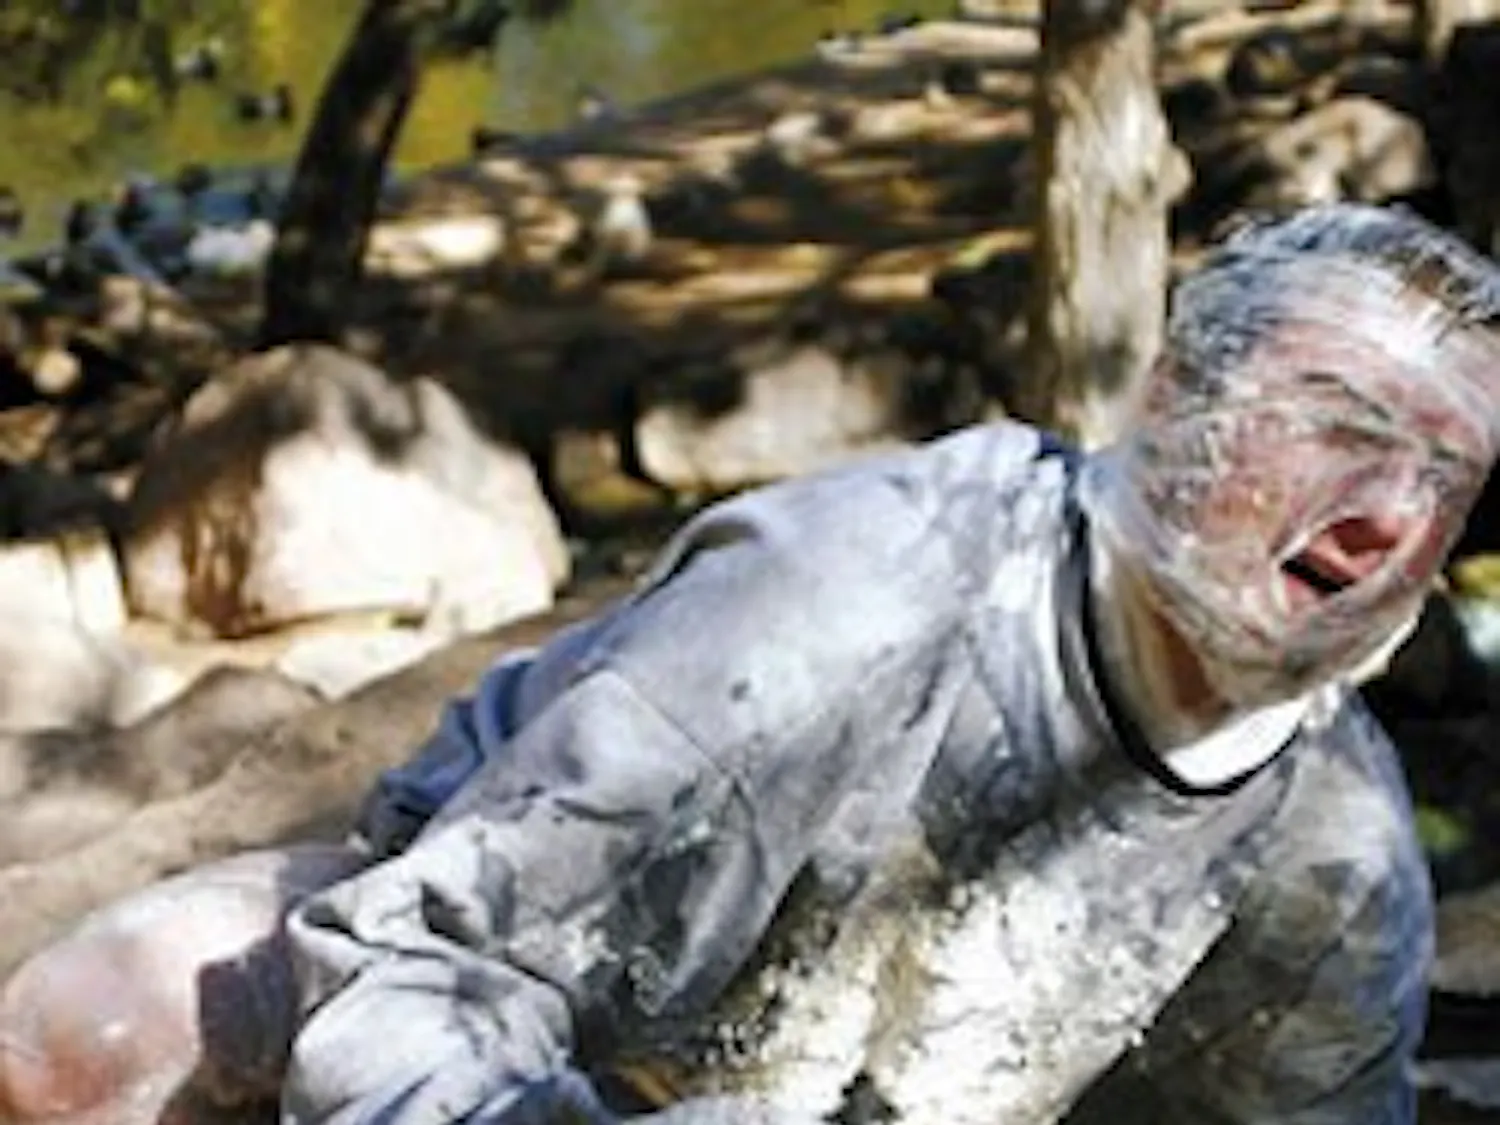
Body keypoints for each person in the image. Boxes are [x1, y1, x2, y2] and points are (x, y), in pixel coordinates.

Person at [3, 201, 1500, 1125]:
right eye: (1340, 422)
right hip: (525, 1015)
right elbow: (432, 961)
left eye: (1445, 471)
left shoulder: (1336, 857)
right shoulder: (854, 603)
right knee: (93, 1036)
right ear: (1178, 396)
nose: (1382, 511)